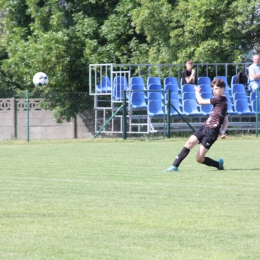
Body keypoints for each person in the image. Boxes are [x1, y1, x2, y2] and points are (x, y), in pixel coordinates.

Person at [163, 78, 229, 172]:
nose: (214, 91)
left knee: (199, 159)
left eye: (217, 88)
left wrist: (197, 92)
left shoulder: (221, 98)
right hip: (204, 127)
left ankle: (218, 164)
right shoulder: (222, 102)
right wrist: (222, 131)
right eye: (213, 89)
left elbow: (200, 102)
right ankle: (174, 166)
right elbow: (226, 120)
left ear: (223, 89)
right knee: (189, 143)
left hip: (212, 132)